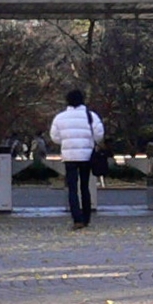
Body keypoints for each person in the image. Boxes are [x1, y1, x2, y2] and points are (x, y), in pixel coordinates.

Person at [48, 88, 105, 228]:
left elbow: (55, 137)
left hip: (69, 156)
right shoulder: (91, 116)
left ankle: (77, 218)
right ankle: (86, 217)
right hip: (86, 156)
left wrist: (67, 141)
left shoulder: (60, 117)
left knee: (72, 187)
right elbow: (99, 135)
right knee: (84, 186)